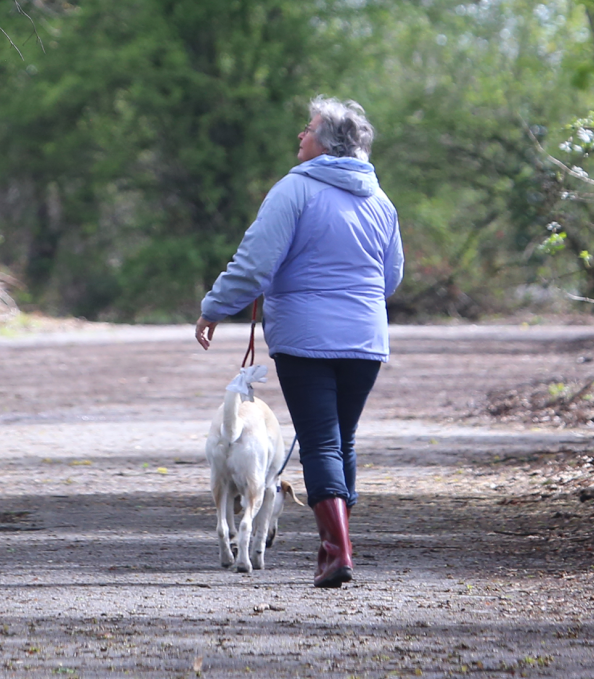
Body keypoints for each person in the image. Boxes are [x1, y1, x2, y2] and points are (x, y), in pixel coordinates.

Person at [195, 95, 401, 588]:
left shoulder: (294, 190)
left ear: (326, 143)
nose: (299, 136)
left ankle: (336, 553)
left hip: (306, 337)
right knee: (340, 439)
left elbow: (254, 263)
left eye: (306, 129)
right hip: (365, 339)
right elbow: (390, 279)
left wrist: (213, 307)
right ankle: (338, 545)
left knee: (319, 441)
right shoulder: (381, 200)